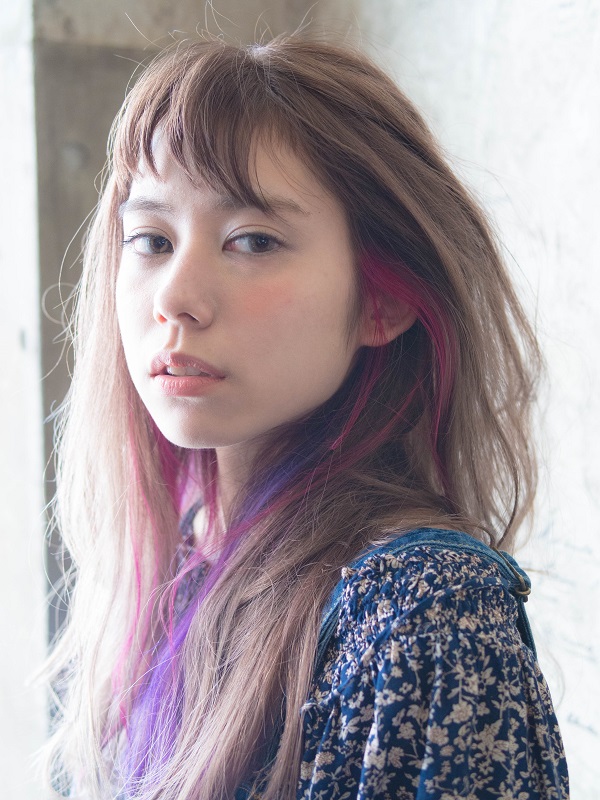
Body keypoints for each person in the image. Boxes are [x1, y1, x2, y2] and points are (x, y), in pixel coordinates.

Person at [44, 34, 569, 799]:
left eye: (252, 241)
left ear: (384, 299)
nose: (174, 298)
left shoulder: (427, 613)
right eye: (152, 240)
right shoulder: (180, 560)